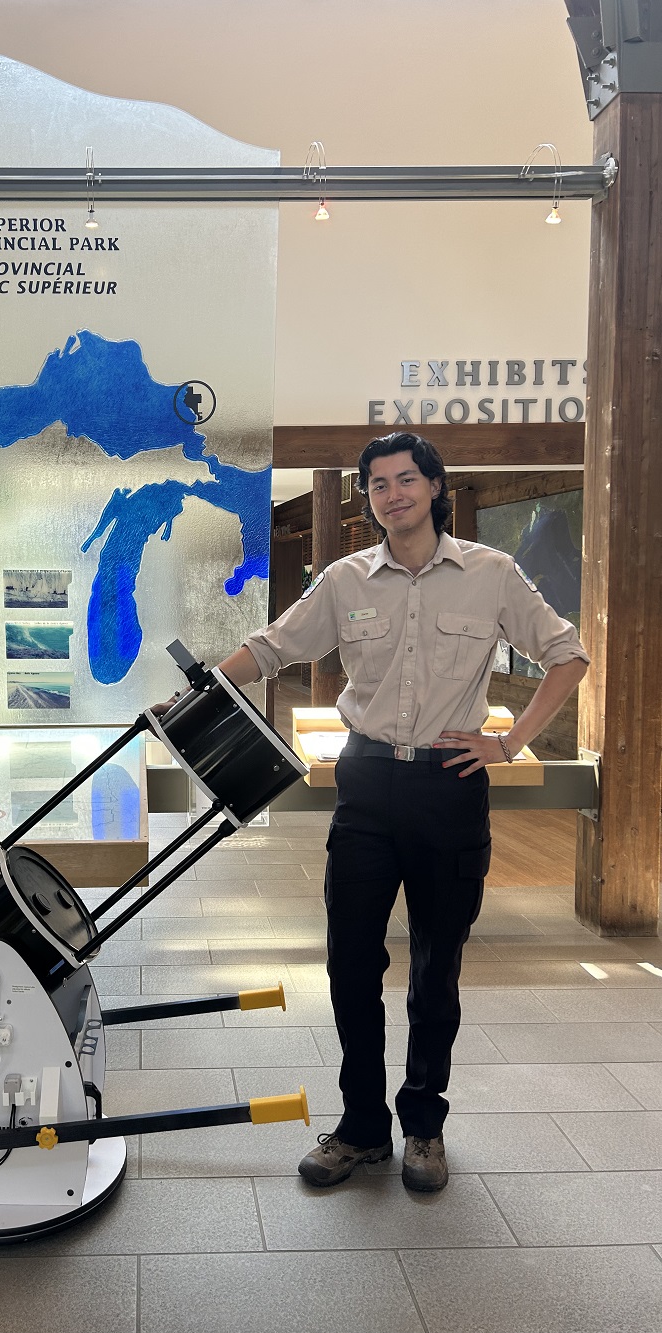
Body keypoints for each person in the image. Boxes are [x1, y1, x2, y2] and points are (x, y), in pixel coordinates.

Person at [210, 431, 589, 1192]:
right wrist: (199, 692)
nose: (392, 494)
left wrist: (510, 740)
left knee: (436, 967)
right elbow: (272, 646)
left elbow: (567, 652)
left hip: (450, 788)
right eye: (377, 484)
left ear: (436, 485)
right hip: (366, 785)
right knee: (351, 961)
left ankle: (423, 1126)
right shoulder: (347, 580)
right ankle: (359, 1128)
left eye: (405, 479)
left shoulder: (492, 572)